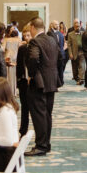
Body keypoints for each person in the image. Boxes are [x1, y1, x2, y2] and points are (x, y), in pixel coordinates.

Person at [25, 17, 59, 156]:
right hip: (51, 81)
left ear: (33, 27)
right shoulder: (52, 39)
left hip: (38, 83)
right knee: (47, 114)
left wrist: (31, 75)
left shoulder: (35, 41)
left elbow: (33, 58)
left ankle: (41, 145)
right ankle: (46, 143)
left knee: (39, 114)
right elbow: (60, 57)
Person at [15, 28, 32, 136]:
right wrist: (18, 81)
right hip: (23, 81)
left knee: (34, 108)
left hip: (33, 82)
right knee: (24, 108)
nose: (26, 37)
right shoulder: (21, 49)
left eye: (28, 35)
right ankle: (23, 130)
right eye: (24, 35)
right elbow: (18, 65)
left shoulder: (36, 48)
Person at [2, 26, 21, 92]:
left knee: (8, 76)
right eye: (12, 29)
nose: (13, 30)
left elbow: (2, 49)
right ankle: (13, 91)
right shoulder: (18, 39)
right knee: (13, 76)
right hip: (15, 58)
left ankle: (8, 91)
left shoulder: (5, 39)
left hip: (8, 57)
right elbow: (20, 49)